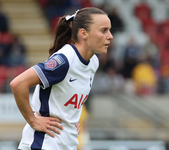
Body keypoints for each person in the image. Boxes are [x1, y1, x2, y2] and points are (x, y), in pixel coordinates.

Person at [10, 7, 113, 150]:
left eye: (109, 30)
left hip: (66, 144)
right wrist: (33, 120)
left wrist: (71, 119)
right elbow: (18, 84)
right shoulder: (64, 60)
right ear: (83, 33)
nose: (110, 36)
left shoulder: (93, 62)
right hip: (43, 144)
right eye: (104, 30)